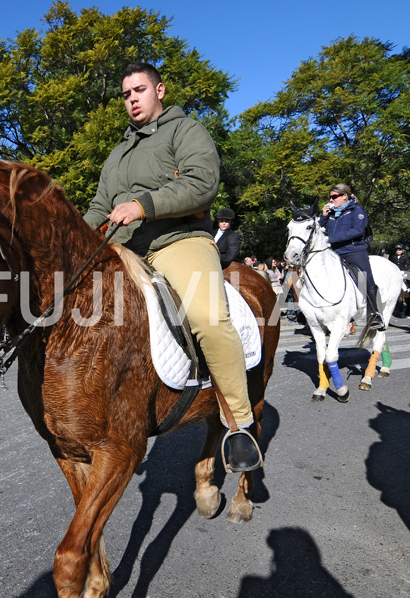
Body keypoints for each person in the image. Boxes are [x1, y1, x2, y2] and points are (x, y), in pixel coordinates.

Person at [82, 62, 261, 472]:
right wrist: (74, 237)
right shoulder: (116, 154)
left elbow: (202, 184)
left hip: (177, 241)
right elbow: (98, 207)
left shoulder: (186, 131)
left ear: (159, 90)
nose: (132, 99)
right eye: (126, 94)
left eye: (139, 90)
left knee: (207, 317)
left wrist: (143, 205)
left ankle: (239, 422)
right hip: (125, 250)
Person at [319, 184, 384, 330]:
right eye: (330, 197)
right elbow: (319, 230)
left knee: (366, 278)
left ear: (344, 196)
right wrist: (323, 217)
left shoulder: (357, 210)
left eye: (334, 196)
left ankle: (375, 315)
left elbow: (357, 230)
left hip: (353, 250)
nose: (331, 199)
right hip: (333, 252)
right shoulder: (330, 213)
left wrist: (332, 238)